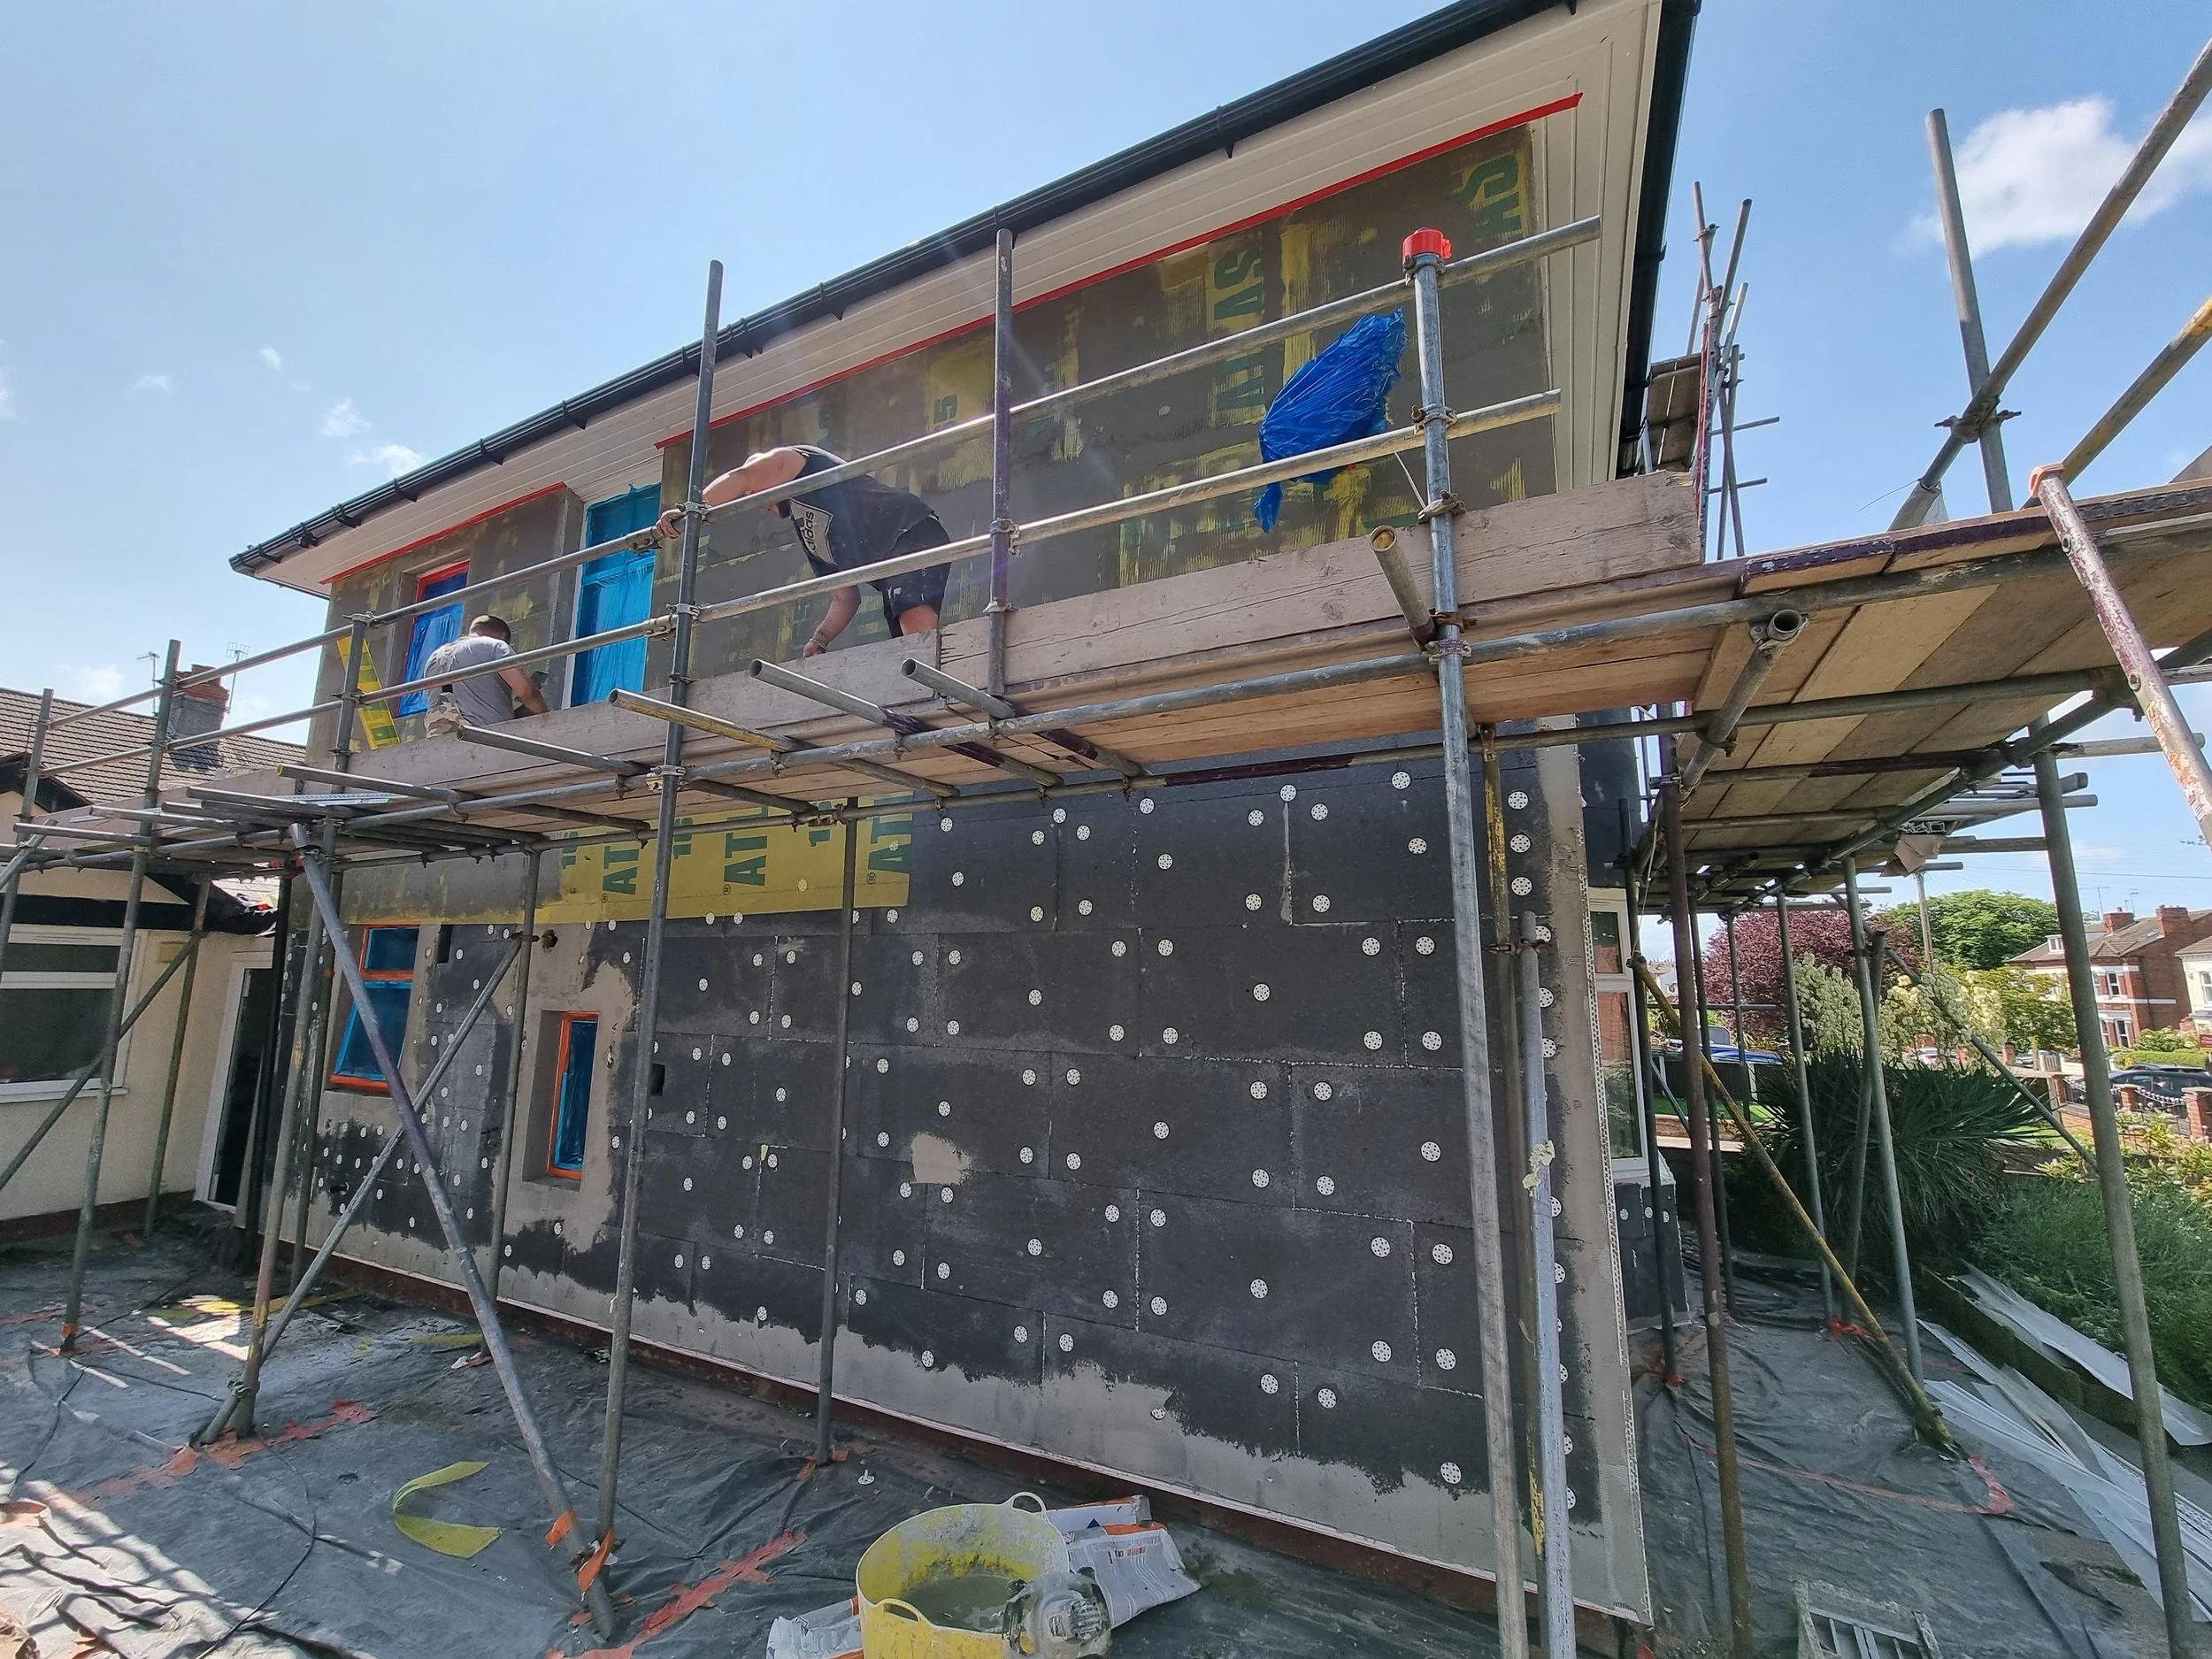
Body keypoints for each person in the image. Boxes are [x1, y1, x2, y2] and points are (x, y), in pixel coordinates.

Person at [657, 444, 949, 656]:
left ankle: (933, 689)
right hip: (890, 557)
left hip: (909, 529)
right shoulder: (813, 534)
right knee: (904, 636)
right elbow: (844, 597)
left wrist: (688, 513)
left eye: (754, 494)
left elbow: (744, 476)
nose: (756, 501)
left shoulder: (800, 462)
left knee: (913, 621)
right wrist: (819, 641)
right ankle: (923, 687)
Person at [419, 615, 548, 735]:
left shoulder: (434, 658)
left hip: (439, 743)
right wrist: (546, 717)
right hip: (483, 740)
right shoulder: (494, 646)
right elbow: (526, 691)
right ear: (503, 636)